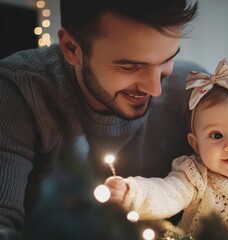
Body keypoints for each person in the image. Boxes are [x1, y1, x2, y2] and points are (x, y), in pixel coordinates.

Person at [0, 0, 204, 238]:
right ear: (71, 48)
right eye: (130, 66)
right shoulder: (18, 91)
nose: (155, 88)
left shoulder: (195, 92)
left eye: (167, 60)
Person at [104, 59, 228, 238]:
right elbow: (165, 194)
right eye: (216, 135)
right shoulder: (194, 174)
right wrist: (132, 192)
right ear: (196, 144)